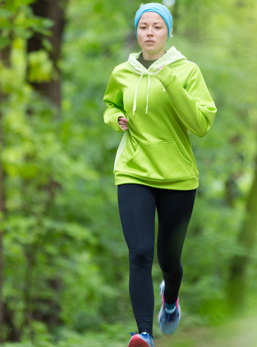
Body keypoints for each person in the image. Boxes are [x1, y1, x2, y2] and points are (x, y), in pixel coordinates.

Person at [102, 3, 217, 347]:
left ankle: (170, 299)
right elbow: (111, 104)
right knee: (139, 253)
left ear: (167, 33)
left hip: (177, 177)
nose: (149, 33)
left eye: (157, 27)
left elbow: (201, 124)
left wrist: (168, 78)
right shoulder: (123, 71)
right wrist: (114, 119)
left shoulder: (187, 71)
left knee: (168, 259)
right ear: (137, 32)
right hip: (133, 170)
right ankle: (144, 334)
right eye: (143, 27)